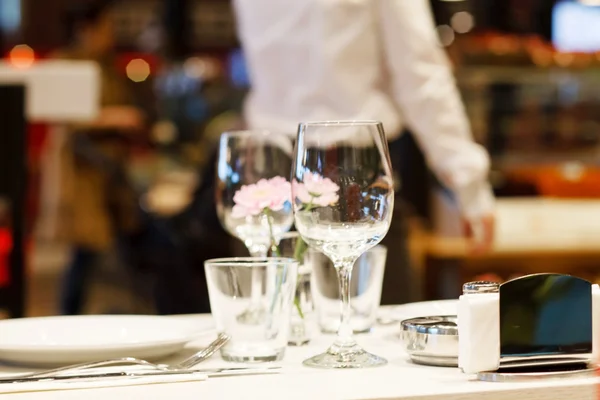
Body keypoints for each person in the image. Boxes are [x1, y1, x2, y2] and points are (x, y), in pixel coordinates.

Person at [231, 0, 495, 303]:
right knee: (370, 330)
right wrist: (467, 179)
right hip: (349, 171)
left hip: (269, 166)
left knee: (277, 325)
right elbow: (419, 70)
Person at [50, 0, 145, 314]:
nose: (112, 34)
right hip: (85, 172)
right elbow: (68, 117)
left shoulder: (106, 64)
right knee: (85, 251)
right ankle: (68, 319)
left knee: (120, 249)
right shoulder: (70, 63)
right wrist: (117, 117)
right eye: (106, 27)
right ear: (85, 29)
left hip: (112, 172)